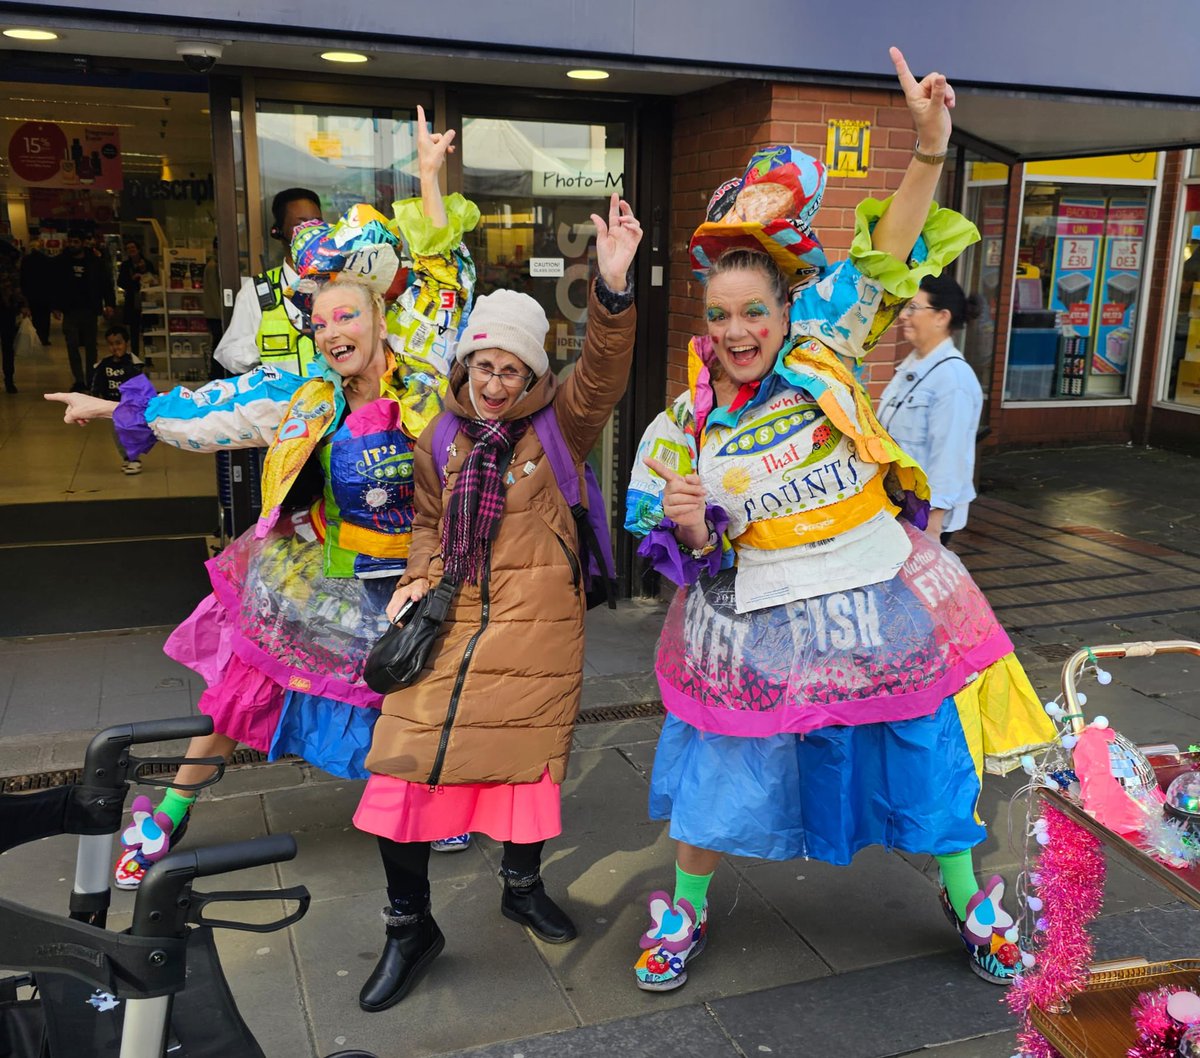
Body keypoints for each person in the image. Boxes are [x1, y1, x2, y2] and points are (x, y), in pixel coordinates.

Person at [623, 47, 1055, 993]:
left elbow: (889, 251)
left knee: (923, 749)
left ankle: (963, 891)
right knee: (723, 759)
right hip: (758, 614)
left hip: (876, 593)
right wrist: (694, 524)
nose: (740, 332)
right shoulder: (682, 427)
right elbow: (683, 552)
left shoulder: (826, 347)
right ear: (705, 319)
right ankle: (687, 907)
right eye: (722, 315)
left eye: (756, 312)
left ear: (787, 308)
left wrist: (930, 152)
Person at [45, 109, 475, 890]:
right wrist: (118, 409)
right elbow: (210, 409)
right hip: (321, 568)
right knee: (240, 690)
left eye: (347, 314)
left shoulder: (430, 377)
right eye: (319, 319)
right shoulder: (302, 392)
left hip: (410, 577)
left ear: (381, 316)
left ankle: (426, 808)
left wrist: (431, 183)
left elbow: (446, 275)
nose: (331, 328)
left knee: (416, 700)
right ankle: (167, 816)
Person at [350, 192, 642, 1013]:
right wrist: (413, 573)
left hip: (533, 628)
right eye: (483, 365)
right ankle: (409, 926)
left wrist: (612, 288)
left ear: (534, 377)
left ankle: (520, 885)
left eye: (511, 370)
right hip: (446, 617)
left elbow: (605, 371)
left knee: (523, 769)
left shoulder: (560, 427)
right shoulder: (438, 435)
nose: (493, 382)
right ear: (465, 364)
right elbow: (426, 520)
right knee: (401, 775)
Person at [877, 274, 984, 545]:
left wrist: (932, 526)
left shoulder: (953, 378)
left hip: (923, 518)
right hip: (898, 506)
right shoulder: (912, 366)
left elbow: (950, 457)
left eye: (913, 307)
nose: (903, 315)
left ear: (941, 317)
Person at [212, 188, 324, 377]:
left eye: (317, 223)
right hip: (280, 404)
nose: (312, 231)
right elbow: (228, 356)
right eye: (302, 224)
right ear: (278, 231)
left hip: (340, 403)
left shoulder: (341, 284)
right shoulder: (257, 292)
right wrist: (262, 342)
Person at [52, 228, 116, 391]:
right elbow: (54, 285)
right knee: (72, 344)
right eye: (70, 241)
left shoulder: (94, 262)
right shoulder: (61, 262)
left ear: (82, 243)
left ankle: (91, 378)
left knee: (90, 346)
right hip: (70, 309)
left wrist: (109, 303)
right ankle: (79, 379)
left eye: (76, 242)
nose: (73, 245)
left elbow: (105, 284)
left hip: (89, 309)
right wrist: (56, 306)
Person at [91, 324, 145, 474]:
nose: (115, 347)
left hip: (129, 406)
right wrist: (95, 398)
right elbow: (97, 381)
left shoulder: (133, 363)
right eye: (111, 344)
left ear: (126, 343)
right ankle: (127, 458)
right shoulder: (104, 364)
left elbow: (140, 384)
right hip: (112, 406)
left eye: (119, 343)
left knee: (129, 432)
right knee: (117, 434)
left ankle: (135, 459)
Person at [117, 239, 156, 358]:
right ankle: (135, 356)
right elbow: (121, 282)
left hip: (147, 299)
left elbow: (154, 279)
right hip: (132, 300)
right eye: (128, 248)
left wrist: (144, 274)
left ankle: (149, 357)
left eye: (133, 248)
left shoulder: (148, 263)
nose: (131, 250)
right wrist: (132, 279)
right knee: (134, 331)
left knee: (148, 330)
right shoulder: (125, 265)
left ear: (138, 249)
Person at [0, 241, 25, 395]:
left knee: (8, 346)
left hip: (7, 309)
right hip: (7, 310)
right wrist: (22, 304)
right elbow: (16, 288)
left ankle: (9, 380)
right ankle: (9, 380)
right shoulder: (11, 268)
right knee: (8, 347)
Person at [18, 239, 53, 346]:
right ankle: (44, 337)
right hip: (44, 292)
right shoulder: (46, 260)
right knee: (45, 316)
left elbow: (22, 277)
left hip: (30, 291)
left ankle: (34, 336)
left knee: (34, 315)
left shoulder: (26, 260)